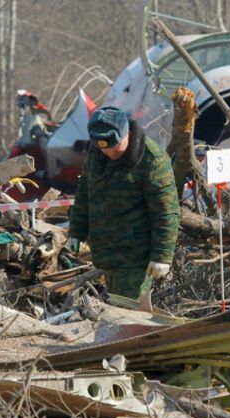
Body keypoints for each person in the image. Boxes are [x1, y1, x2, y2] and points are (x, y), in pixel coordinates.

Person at [68, 107, 180, 311]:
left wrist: (162, 256)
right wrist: (76, 231)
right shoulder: (97, 155)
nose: (109, 153)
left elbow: (165, 212)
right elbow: (85, 193)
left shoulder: (151, 160)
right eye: (104, 147)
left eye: (114, 146)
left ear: (126, 133)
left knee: (128, 313)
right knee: (116, 308)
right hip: (107, 254)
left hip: (135, 257)